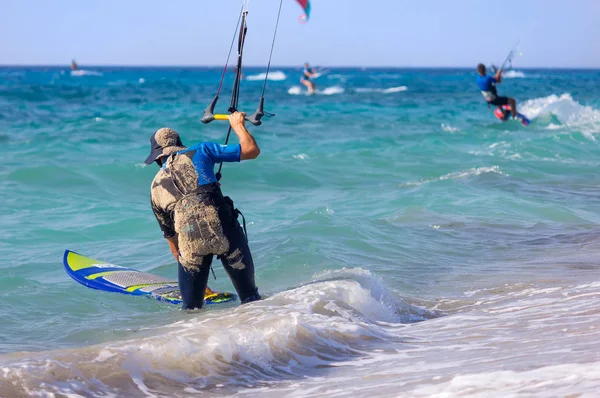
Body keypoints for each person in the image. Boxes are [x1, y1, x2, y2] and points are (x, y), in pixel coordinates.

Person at [144, 112, 261, 310]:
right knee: (251, 299)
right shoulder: (201, 150)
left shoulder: (155, 188)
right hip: (225, 231)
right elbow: (251, 150)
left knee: (191, 311)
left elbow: (174, 245)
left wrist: (199, 283)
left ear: (157, 158)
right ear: (180, 146)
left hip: (190, 247)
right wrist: (238, 124)